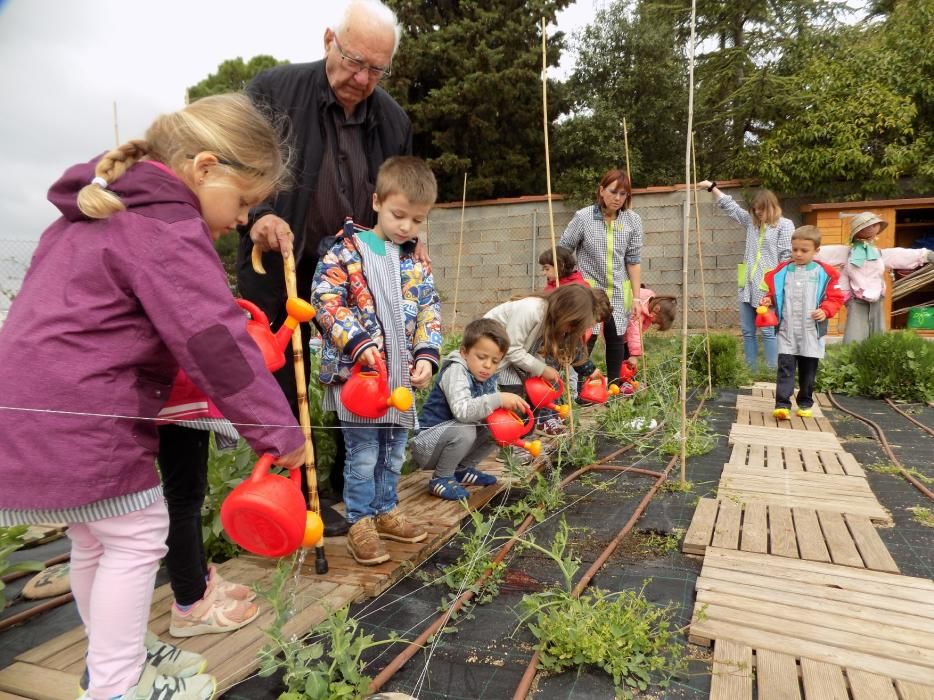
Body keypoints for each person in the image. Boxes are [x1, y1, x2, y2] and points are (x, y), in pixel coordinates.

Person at [0, 94, 305, 700]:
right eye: (244, 201)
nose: (243, 220)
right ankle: (117, 685)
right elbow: (213, 340)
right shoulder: (165, 224)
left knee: (95, 536)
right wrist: (279, 431)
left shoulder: (101, 209)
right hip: (85, 411)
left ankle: (117, 656)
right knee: (139, 534)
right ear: (205, 166)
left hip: (35, 403)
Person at [237, 0, 413, 535]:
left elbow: (398, 195)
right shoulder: (271, 91)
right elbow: (238, 164)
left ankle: (343, 486)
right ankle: (286, 494)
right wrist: (260, 216)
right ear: (328, 40)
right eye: (354, 61)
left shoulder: (393, 119)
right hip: (281, 259)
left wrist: (408, 245)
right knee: (279, 371)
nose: (361, 78)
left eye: (376, 69)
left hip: (351, 270)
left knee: (363, 365)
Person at [310, 156, 442, 566]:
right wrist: (357, 341)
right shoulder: (345, 250)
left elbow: (428, 310)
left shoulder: (414, 260)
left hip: (400, 378)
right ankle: (360, 521)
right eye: (399, 215)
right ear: (376, 202)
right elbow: (325, 300)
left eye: (417, 221)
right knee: (363, 452)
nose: (406, 227)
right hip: (361, 378)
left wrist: (427, 354)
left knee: (394, 449)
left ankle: (386, 510)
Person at [155, 375, 259, 638]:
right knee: (182, 498)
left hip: (181, 395)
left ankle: (200, 583)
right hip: (173, 397)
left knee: (189, 495)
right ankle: (189, 605)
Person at [412, 318, 528, 499]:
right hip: (427, 445)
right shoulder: (456, 371)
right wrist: (498, 398)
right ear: (464, 352)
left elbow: (488, 411)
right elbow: (463, 411)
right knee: (465, 429)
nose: (488, 365)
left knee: (495, 427)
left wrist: (508, 424)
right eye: (481, 357)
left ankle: (461, 470)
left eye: (495, 361)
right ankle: (441, 478)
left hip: (451, 443)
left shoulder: (486, 376)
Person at [559, 169, 644, 385]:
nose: (617, 198)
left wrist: (636, 298)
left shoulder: (632, 221)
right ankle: (578, 388)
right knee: (587, 336)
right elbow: (563, 250)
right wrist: (568, 283)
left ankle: (614, 385)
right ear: (601, 191)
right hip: (588, 291)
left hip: (616, 289)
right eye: (613, 192)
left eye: (623, 194)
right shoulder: (584, 217)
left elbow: (633, 261)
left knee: (616, 338)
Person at [699, 181, 793, 369]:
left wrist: (778, 289)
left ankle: (771, 368)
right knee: (747, 331)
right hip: (747, 285)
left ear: (771, 207)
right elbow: (731, 207)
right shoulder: (752, 224)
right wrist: (712, 187)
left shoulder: (784, 226)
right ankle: (751, 368)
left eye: (761, 210)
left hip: (766, 288)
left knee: (767, 330)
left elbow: (786, 258)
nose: (758, 213)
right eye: (755, 210)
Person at [483, 284, 600, 436]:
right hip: (489, 357)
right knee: (515, 399)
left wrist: (542, 370)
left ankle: (522, 439)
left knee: (532, 396)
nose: (570, 330)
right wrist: (542, 369)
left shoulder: (546, 317)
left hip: (507, 359)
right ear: (565, 312)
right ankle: (511, 443)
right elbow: (512, 349)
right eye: (572, 324)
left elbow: (531, 348)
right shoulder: (531, 310)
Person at [759, 226, 845, 418]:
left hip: (811, 331)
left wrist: (825, 310)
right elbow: (775, 294)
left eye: (804, 250)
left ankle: (805, 403)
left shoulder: (825, 274)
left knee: (808, 370)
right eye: (794, 249)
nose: (798, 254)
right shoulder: (782, 272)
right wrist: (768, 300)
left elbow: (836, 298)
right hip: (787, 329)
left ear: (817, 251)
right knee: (785, 368)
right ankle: (782, 404)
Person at [813, 212, 934, 343]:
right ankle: (851, 359)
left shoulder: (878, 254)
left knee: (878, 335)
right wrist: (805, 253)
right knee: (855, 334)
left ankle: (877, 358)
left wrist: (924, 255)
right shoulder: (847, 253)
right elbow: (824, 253)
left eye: (875, 225)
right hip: (855, 299)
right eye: (869, 225)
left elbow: (898, 255)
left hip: (877, 298)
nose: (873, 227)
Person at [624, 287, 678, 362]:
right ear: (657, 309)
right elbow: (634, 331)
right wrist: (634, 355)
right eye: (657, 321)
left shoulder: (648, 305)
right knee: (620, 358)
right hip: (616, 329)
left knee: (624, 357)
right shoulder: (639, 308)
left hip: (624, 334)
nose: (654, 323)